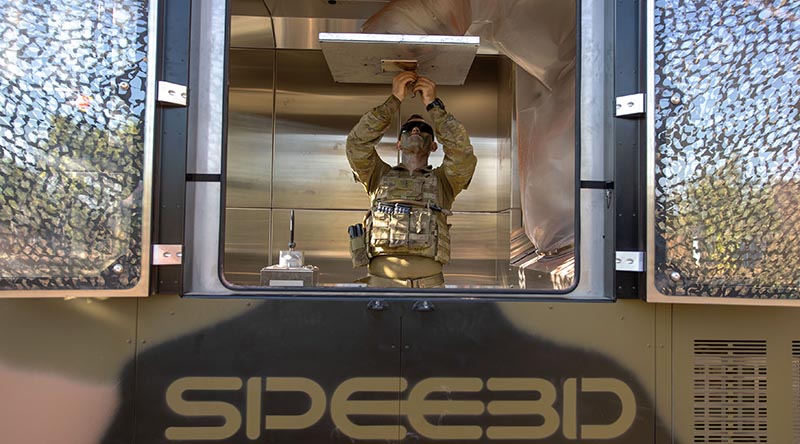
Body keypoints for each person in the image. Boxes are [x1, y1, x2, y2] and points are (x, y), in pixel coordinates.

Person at [346, 71, 477, 288]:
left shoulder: (444, 181)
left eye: (424, 129)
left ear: (434, 146)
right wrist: (394, 100)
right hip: (381, 287)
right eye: (407, 129)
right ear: (398, 144)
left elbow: (462, 154)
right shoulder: (377, 176)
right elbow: (356, 145)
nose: (415, 129)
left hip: (429, 289)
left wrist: (434, 106)